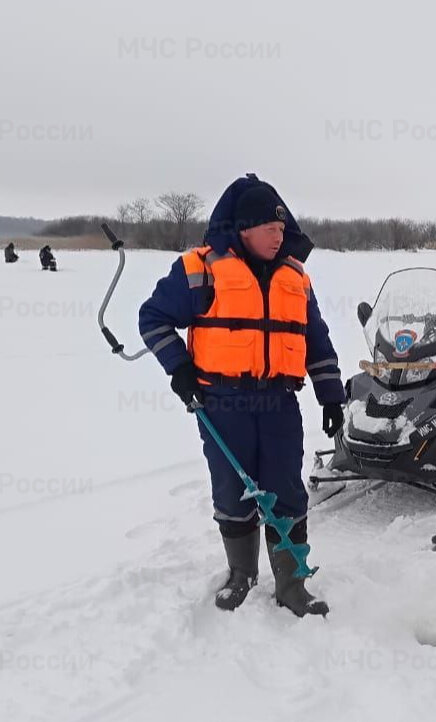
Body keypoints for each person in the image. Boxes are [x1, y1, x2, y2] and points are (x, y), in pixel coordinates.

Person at [139, 174, 345, 616]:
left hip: (279, 403)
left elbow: (315, 338)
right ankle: (241, 574)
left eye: (281, 228)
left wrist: (331, 394)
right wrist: (180, 370)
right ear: (244, 230)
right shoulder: (201, 268)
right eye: (269, 229)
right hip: (221, 402)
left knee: (287, 491)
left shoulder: (295, 276)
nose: (279, 235)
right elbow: (153, 318)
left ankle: (292, 585)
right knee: (232, 492)